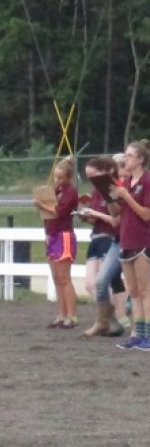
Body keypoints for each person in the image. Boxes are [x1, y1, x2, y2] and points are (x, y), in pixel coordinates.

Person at [78, 156, 126, 338]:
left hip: (113, 237)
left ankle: (117, 319)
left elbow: (116, 220)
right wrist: (88, 217)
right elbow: (104, 218)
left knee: (110, 281)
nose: (91, 179)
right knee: (96, 282)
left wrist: (95, 213)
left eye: (94, 175)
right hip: (103, 236)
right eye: (88, 176)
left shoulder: (116, 188)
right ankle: (107, 320)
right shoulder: (97, 191)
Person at [33, 157, 79, 328]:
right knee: (56, 278)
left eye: (61, 177)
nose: (57, 180)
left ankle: (72, 316)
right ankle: (61, 314)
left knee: (64, 277)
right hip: (52, 234)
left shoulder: (70, 192)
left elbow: (60, 211)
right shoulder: (56, 191)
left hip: (63, 235)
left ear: (68, 177)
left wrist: (42, 206)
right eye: (55, 176)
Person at [113, 140, 150, 349]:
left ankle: (148, 335)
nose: (125, 159)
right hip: (126, 239)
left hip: (143, 240)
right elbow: (116, 213)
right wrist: (111, 197)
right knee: (133, 291)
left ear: (140, 159)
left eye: (129, 155)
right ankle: (138, 333)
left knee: (145, 291)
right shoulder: (126, 182)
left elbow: (146, 214)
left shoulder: (147, 181)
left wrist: (127, 196)